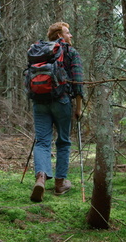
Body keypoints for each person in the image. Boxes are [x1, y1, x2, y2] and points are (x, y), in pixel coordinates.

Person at [30, 22, 84, 202]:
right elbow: (77, 82)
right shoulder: (70, 51)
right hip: (62, 100)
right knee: (63, 141)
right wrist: (78, 108)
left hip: (39, 101)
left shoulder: (41, 51)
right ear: (60, 35)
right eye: (68, 33)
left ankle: (41, 178)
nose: (71, 36)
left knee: (42, 142)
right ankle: (60, 184)